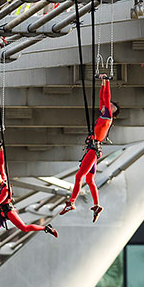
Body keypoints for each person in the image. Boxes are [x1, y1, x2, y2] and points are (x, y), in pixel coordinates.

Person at [0, 146, 58, 258]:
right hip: (1, 212)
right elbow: (1, 164)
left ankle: (46, 228)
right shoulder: (1, 177)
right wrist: (1, 151)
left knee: (24, 228)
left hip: (9, 211)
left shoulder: (6, 189)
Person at [60, 74, 120, 222]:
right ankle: (97, 205)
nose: (109, 105)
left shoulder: (107, 116)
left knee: (79, 176)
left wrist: (106, 81)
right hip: (93, 149)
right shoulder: (104, 114)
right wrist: (101, 83)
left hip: (93, 150)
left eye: (112, 106)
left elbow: (106, 97)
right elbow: (102, 99)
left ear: (112, 111)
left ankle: (72, 202)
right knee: (89, 179)